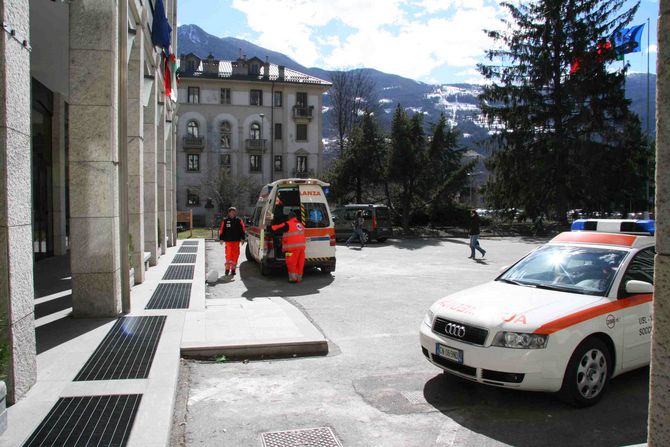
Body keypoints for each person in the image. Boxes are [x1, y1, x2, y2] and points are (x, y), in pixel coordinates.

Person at [271, 211, 306, 283]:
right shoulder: (300, 225)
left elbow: (277, 228)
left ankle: (293, 279)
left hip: (291, 249)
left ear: (289, 217)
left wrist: (269, 227)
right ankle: (299, 278)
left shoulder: (287, 224)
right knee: (300, 263)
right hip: (301, 248)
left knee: (291, 263)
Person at [219, 206, 246, 276]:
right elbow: (222, 230)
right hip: (228, 241)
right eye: (231, 212)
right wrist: (221, 238)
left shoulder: (239, 221)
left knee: (235, 255)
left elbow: (242, 230)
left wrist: (243, 238)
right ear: (229, 213)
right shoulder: (225, 221)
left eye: (234, 212)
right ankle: (227, 270)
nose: (233, 213)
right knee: (228, 255)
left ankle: (233, 270)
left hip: (236, 241)